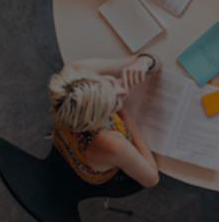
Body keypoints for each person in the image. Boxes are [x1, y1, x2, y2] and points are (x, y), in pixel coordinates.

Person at [49, 53, 161, 187]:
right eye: (115, 104)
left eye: (111, 82)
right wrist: (125, 111)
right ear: (100, 121)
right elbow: (152, 179)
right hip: (97, 169)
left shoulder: (75, 73)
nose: (123, 92)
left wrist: (145, 61)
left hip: (62, 139)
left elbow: (153, 60)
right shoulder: (113, 144)